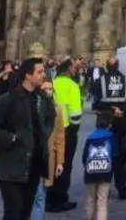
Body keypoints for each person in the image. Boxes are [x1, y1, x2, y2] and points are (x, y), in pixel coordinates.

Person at [0, 58, 55, 220]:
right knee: (13, 213)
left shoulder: (43, 98)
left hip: (34, 166)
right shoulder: (10, 98)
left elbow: (50, 118)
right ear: (28, 75)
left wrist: (43, 134)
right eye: (40, 72)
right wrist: (10, 138)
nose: (44, 76)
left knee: (25, 212)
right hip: (12, 168)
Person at [93, 56, 126, 200]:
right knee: (120, 158)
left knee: (104, 155)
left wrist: (109, 107)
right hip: (121, 123)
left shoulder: (100, 81)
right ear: (118, 65)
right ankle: (122, 189)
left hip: (105, 122)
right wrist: (121, 110)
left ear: (107, 67)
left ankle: (104, 189)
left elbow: (95, 103)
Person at [47, 59, 82, 212]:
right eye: (74, 67)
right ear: (68, 69)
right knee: (65, 165)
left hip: (51, 129)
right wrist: (73, 131)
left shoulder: (53, 83)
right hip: (67, 129)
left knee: (52, 162)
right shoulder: (72, 85)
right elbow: (75, 113)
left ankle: (49, 196)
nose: (76, 70)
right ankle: (60, 199)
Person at [31, 80, 65, 220]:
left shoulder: (57, 110)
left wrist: (60, 162)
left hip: (48, 157)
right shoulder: (31, 107)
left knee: (40, 194)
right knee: (37, 195)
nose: (48, 91)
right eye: (45, 88)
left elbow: (60, 137)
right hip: (33, 156)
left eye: (50, 89)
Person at [82, 111, 117, 220]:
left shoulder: (90, 137)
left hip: (90, 173)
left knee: (90, 200)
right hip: (105, 173)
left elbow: (84, 157)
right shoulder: (111, 137)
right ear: (110, 124)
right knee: (102, 202)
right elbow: (115, 155)